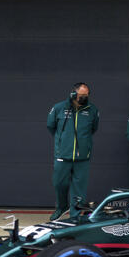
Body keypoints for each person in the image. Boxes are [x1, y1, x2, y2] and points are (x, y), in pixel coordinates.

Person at [47, 82, 99, 220]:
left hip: (82, 157)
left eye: (86, 95)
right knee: (59, 183)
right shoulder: (59, 108)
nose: (84, 97)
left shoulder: (92, 110)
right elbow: (51, 126)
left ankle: (75, 215)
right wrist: (63, 141)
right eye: (81, 95)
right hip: (63, 155)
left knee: (79, 188)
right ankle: (61, 207)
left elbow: (93, 129)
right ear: (74, 94)